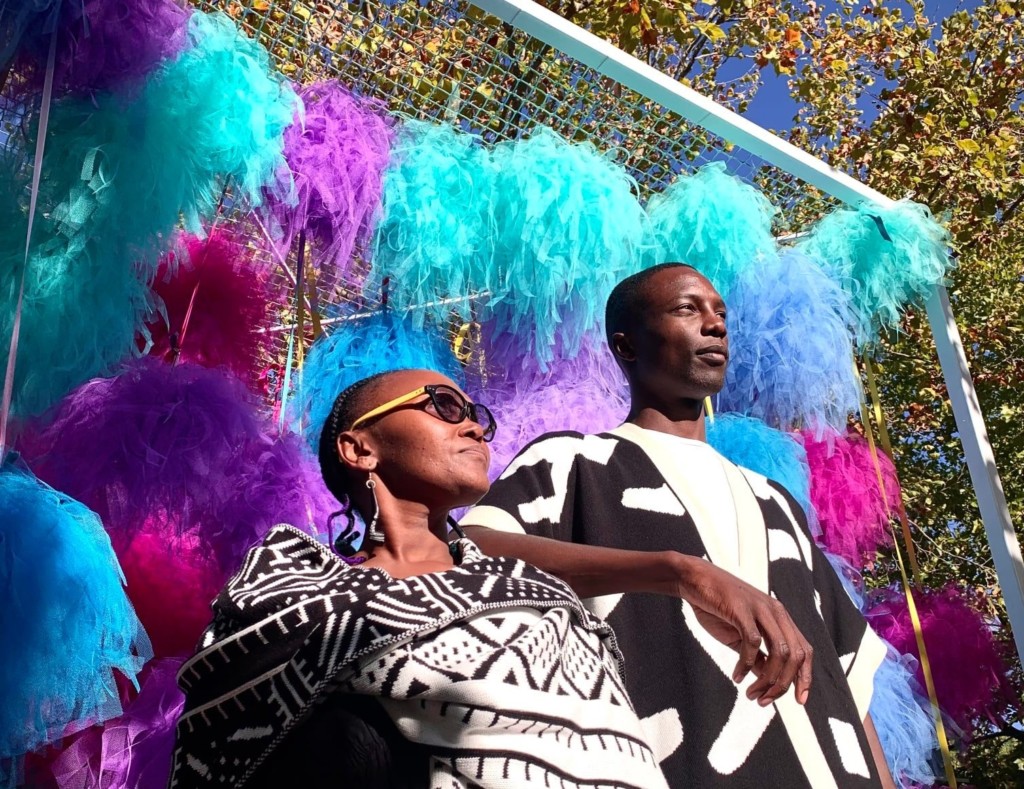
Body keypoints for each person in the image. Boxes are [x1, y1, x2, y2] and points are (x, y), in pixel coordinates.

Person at [461, 263, 897, 788]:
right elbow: (474, 551)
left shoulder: (774, 500)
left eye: (720, 313)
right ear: (627, 346)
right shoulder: (575, 463)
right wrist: (679, 572)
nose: (715, 325)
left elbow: (845, 674)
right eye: (688, 309)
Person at [167, 368, 672, 788]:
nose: (474, 428)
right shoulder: (282, 593)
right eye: (444, 406)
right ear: (359, 449)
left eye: (477, 417)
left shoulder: (538, 594)